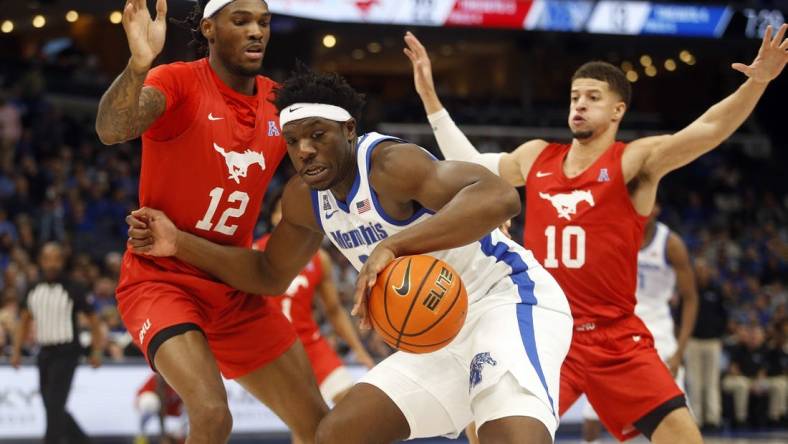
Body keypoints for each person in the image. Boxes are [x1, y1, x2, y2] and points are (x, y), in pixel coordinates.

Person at [126, 67, 573, 444]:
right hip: (438, 334)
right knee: (337, 434)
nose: (304, 150)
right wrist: (179, 244)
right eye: (293, 139)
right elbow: (267, 274)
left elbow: (499, 197)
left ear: (349, 130)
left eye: (317, 135)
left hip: (507, 301)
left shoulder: (390, 165)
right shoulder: (305, 200)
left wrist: (394, 245)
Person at [404, 25, 788, 442]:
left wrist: (757, 82)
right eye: (574, 97)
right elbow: (472, 167)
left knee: (685, 438)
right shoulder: (536, 157)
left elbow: (709, 130)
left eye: (592, 98)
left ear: (618, 111)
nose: (580, 105)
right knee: (486, 434)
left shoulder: (634, 162)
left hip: (615, 338)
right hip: (548, 330)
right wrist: (430, 99)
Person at [94, 1, 327, 442]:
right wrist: (139, 64)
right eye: (241, 22)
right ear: (210, 29)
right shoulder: (178, 81)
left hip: (233, 285)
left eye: (263, 22)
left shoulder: (281, 105)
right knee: (212, 414)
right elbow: (112, 128)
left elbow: (331, 162)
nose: (256, 31)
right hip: (162, 280)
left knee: (320, 426)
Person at [581, 204, 698, 443]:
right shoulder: (613, 235)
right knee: (591, 413)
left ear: (655, 209)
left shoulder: (670, 244)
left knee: (677, 413)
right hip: (617, 326)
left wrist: (679, 352)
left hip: (659, 331)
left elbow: (690, 298)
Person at [253, 191, 375, 405]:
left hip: (309, 343)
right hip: (272, 349)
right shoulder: (254, 252)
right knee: (306, 419)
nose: (289, 217)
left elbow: (334, 310)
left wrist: (359, 350)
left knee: (350, 403)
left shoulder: (320, 258)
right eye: (282, 211)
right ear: (272, 217)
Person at [10, 242, 104, 444]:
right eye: (48, 259)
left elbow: (95, 321)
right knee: (51, 405)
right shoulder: (33, 287)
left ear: (62, 261)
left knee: (54, 405)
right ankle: (83, 441)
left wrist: (96, 351)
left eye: (56, 259)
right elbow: (25, 320)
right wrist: (16, 351)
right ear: (41, 261)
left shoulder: (74, 287)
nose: (52, 264)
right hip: (44, 352)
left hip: (67, 352)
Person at [685, 257, 727, 430]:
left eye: (704, 269)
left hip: (712, 341)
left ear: (709, 271)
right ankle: (697, 418)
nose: (701, 273)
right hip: (693, 341)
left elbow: (724, 315)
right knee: (694, 381)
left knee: (712, 381)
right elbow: (681, 314)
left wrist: (719, 334)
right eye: (698, 269)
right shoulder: (689, 290)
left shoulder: (716, 291)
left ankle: (713, 418)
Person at [134, 373, 186, 444]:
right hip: (154, 409)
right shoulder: (155, 380)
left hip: (175, 413)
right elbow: (138, 399)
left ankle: (182, 438)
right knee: (149, 402)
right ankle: (141, 436)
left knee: (190, 406)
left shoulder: (181, 380)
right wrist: (163, 434)